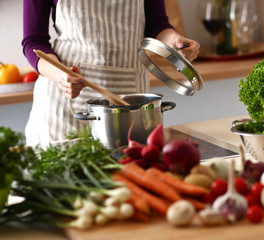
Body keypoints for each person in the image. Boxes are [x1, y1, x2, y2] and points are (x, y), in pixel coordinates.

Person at [22, 0, 200, 148]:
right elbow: (34, 41)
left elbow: (157, 25)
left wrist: (174, 42)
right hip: (64, 101)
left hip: (132, 105)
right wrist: (61, 75)